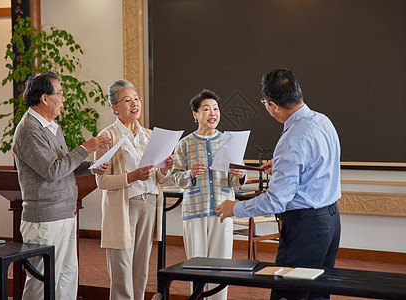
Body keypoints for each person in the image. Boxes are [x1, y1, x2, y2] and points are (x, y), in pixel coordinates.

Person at [217, 68, 341, 300]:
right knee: (317, 294)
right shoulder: (322, 120)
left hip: (306, 227)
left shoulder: (292, 138)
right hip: (331, 220)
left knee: (290, 293)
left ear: (273, 105)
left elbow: (276, 200)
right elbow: (319, 164)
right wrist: (281, 165)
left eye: (264, 102)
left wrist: (234, 208)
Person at [13, 71, 112, 300]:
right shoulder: (30, 129)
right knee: (41, 282)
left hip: (65, 212)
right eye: (60, 93)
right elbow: (52, 171)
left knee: (67, 276)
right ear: (45, 98)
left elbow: (64, 165)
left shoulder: (52, 126)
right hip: (44, 218)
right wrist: (86, 147)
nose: (64, 99)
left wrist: (91, 165)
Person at [94, 79, 173, 300]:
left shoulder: (148, 135)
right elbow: (102, 182)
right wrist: (132, 176)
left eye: (136, 99)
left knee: (141, 269)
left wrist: (166, 168)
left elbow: (159, 177)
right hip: (123, 207)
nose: (134, 103)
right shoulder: (107, 137)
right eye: (127, 100)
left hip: (149, 203)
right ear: (115, 108)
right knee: (122, 267)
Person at [171, 89, 246, 300]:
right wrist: (190, 174)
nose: (213, 113)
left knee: (222, 268)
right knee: (196, 267)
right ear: (195, 114)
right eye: (206, 109)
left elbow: (234, 181)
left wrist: (240, 175)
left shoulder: (229, 142)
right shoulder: (184, 144)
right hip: (195, 211)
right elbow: (175, 178)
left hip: (223, 211)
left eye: (215, 108)